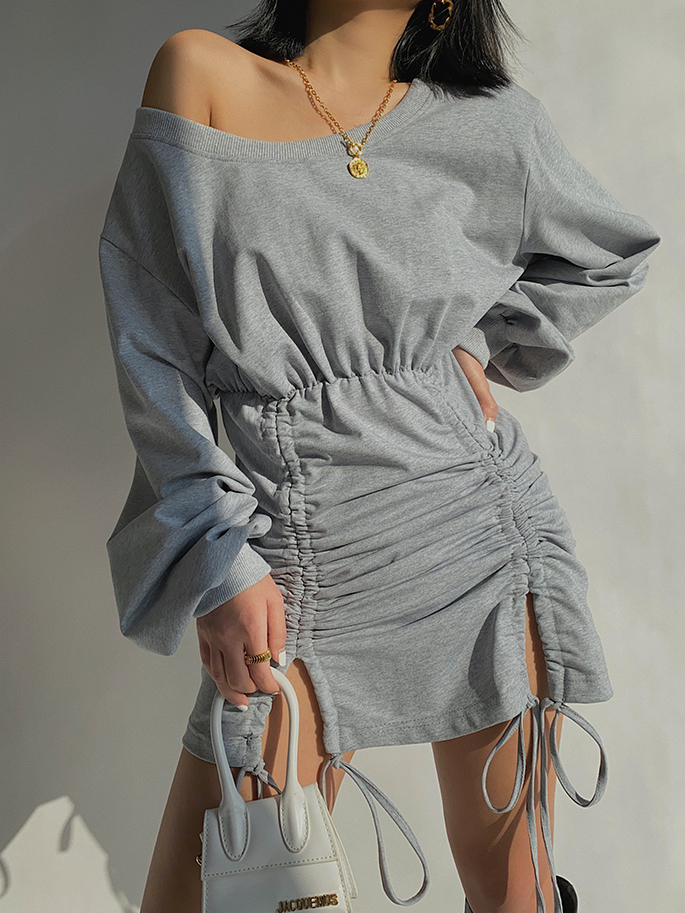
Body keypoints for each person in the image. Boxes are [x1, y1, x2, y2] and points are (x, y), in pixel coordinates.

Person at [98, 2, 660, 912]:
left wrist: (478, 344)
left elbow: (609, 255)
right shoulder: (199, 72)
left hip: (473, 535)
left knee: (511, 895)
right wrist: (214, 552)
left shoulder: (493, 122)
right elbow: (151, 340)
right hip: (293, 546)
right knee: (213, 892)